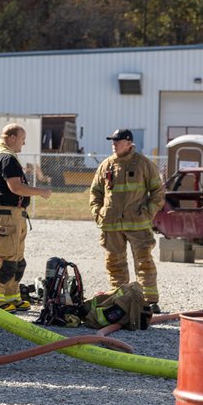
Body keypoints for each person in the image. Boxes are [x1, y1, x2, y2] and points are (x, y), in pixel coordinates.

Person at [89, 129, 166, 307]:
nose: (114, 145)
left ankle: (149, 301)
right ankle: (120, 299)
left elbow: (158, 191)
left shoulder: (143, 164)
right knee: (114, 263)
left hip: (138, 224)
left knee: (144, 261)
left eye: (118, 141)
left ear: (129, 143)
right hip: (111, 224)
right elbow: (95, 192)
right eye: (113, 141)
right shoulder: (106, 165)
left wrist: (148, 213)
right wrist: (99, 214)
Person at [0, 124, 52, 311]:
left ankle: (10, 295)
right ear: (11, 137)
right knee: (2, 257)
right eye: (22, 138)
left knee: (16, 259)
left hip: (14, 215)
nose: (24, 143)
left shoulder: (5, 157)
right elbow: (16, 188)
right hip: (6, 216)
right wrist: (41, 192)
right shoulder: (6, 158)